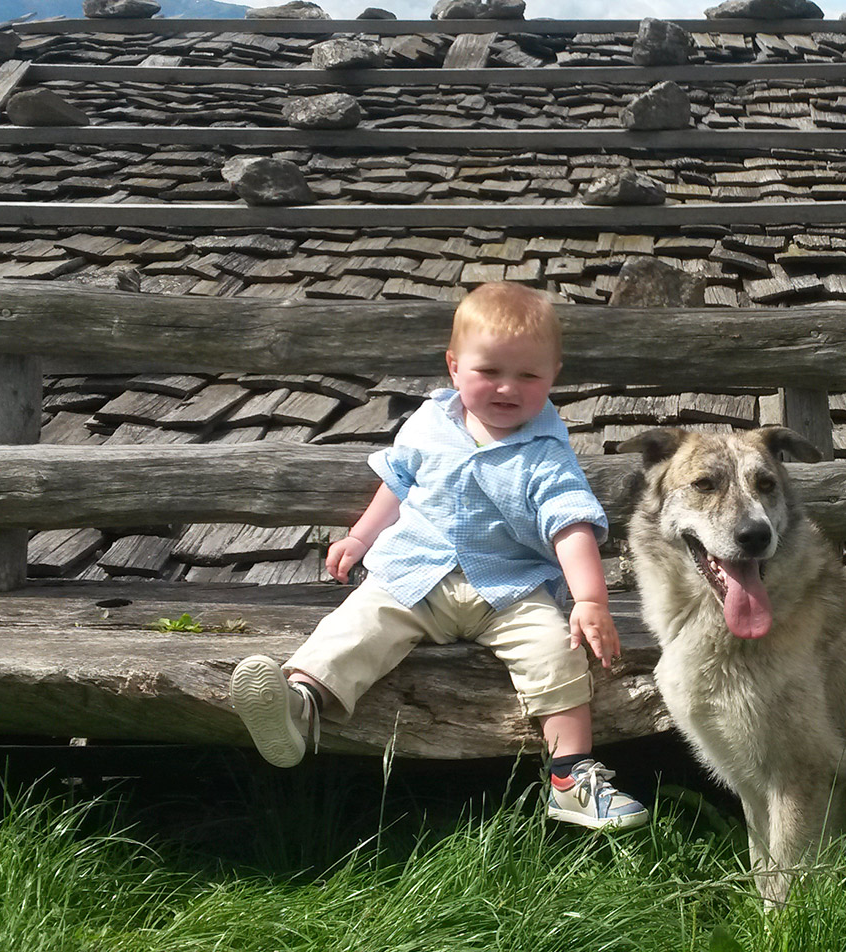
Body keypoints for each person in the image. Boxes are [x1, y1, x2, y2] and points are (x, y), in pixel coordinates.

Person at [229, 281, 649, 830]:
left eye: (529, 376)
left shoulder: (547, 453)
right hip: (414, 577)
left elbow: (570, 524)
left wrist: (589, 599)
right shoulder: (430, 423)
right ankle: (299, 705)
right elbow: (397, 483)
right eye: (489, 371)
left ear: (554, 376)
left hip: (508, 589)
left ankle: (571, 778)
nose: (507, 388)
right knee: (359, 623)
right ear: (454, 368)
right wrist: (360, 538)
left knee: (555, 650)